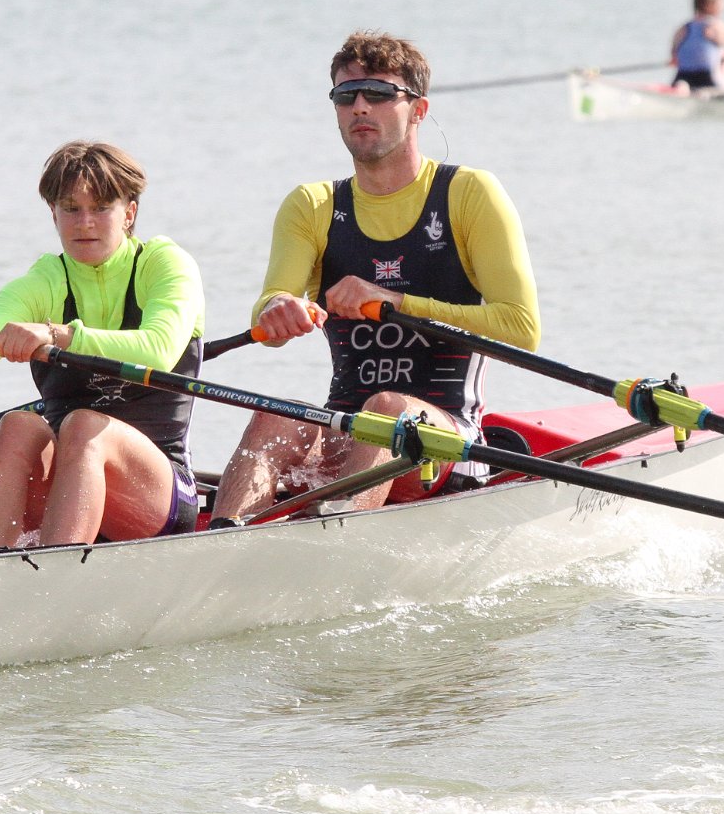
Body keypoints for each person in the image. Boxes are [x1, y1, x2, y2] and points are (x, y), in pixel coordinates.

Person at [212, 31, 541, 523]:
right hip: (345, 431)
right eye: (346, 96)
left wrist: (394, 301)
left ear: (419, 109)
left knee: (387, 407)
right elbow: (271, 304)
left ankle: (335, 537)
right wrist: (277, 310)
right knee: (274, 415)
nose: (360, 107)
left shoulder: (469, 193)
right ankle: (222, 544)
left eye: (380, 94)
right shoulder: (312, 205)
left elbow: (521, 329)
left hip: (444, 439)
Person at [0, 141, 206, 549]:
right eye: (70, 209)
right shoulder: (47, 279)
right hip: (66, 493)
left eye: (101, 208)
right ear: (54, 214)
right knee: (18, 426)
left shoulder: (164, 265)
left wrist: (57, 335)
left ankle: (56, 574)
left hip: (157, 498)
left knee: (86, 425)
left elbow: (159, 348)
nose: (84, 222)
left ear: (129, 214)